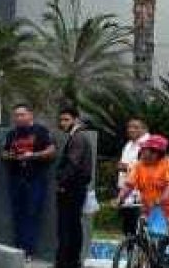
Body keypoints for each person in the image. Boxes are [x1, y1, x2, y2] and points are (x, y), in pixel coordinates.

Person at [116, 135, 169, 268]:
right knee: (142, 236)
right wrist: (120, 199)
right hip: (149, 210)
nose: (141, 152)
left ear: (155, 152)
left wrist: (161, 200)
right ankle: (142, 260)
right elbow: (129, 185)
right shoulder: (138, 166)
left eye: (145, 150)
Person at [2, 103, 55, 262]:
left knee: (31, 214)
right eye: (16, 115)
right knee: (17, 214)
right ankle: (18, 249)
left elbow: (51, 151)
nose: (18, 118)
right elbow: (3, 152)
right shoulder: (12, 134)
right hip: (16, 178)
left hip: (35, 179)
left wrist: (32, 155)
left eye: (22, 114)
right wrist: (10, 156)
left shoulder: (40, 131)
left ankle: (28, 251)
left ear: (30, 115)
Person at [54, 107, 94, 268]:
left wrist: (61, 182)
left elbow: (73, 164)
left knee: (67, 225)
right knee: (72, 225)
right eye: (61, 120)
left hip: (72, 188)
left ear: (76, 120)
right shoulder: (77, 137)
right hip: (75, 187)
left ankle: (66, 261)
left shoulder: (78, 138)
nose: (63, 123)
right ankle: (71, 260)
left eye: (66, 120)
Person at [116, 117, 150, 237]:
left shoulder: (148, 144)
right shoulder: (129, 144)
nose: (131, 130)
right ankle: (131, 248)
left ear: (144, 129)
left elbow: (147, 166)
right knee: (128, 228)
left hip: (140, 194)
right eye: (129, 127)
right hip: (127, 192)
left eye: (135, 127)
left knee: (138, 229)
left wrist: (127, 167)